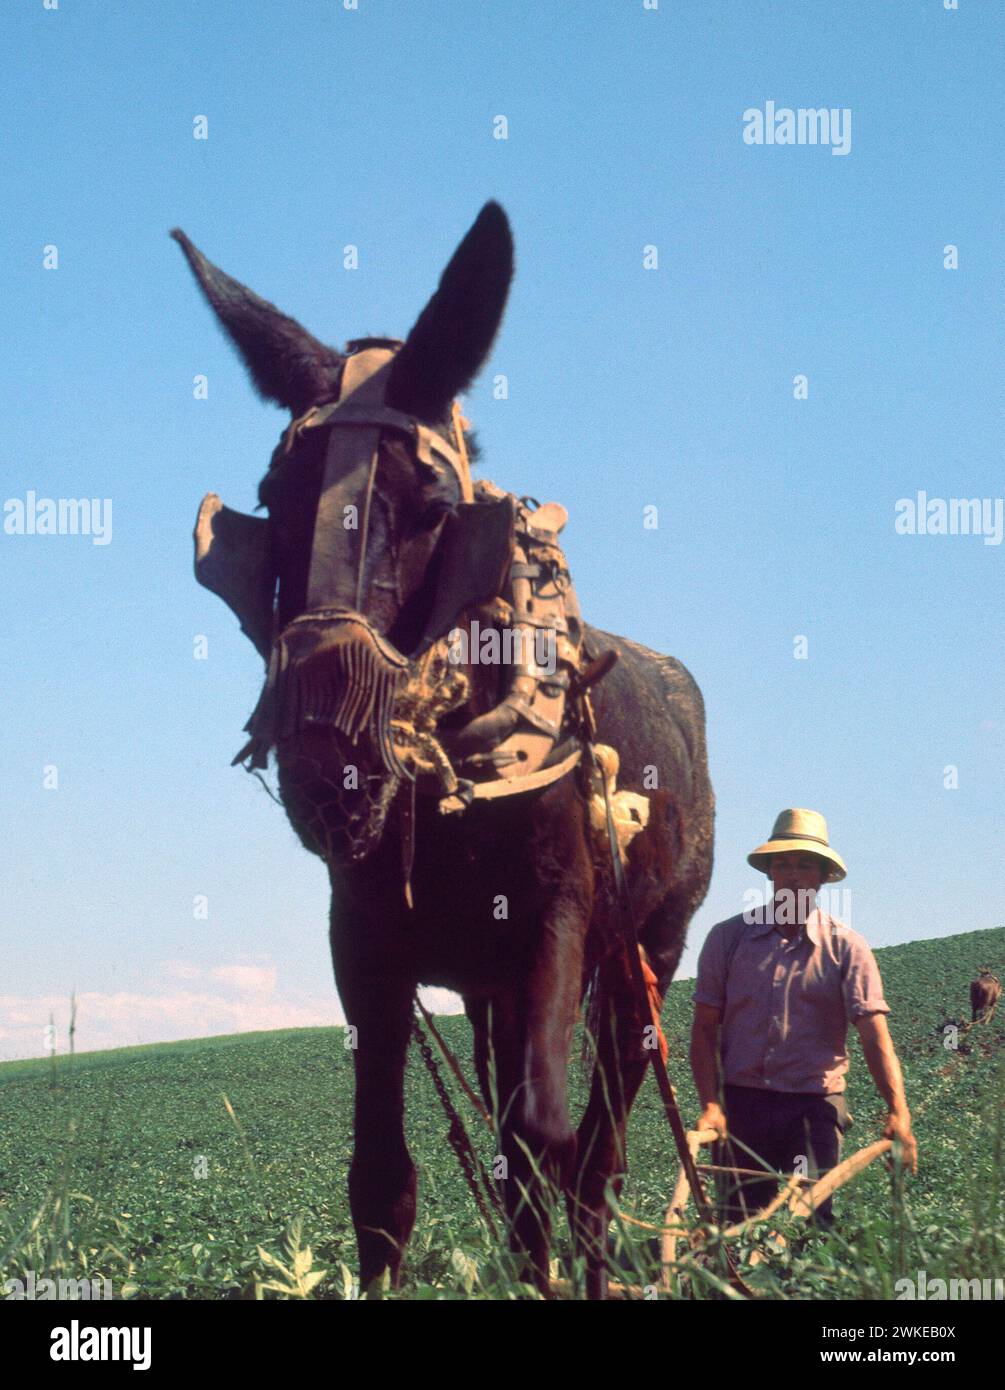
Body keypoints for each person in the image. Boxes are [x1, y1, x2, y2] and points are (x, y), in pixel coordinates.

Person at [690, 808, 917, 1230]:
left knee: (809, 1227)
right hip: (743, 1105)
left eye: (804, 864)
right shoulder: (728, 939)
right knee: (736, 1229)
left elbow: (874, 1036)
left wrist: (898, 1111)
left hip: (813, 1107)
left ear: (822, 876)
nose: (792, 874)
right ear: (770, 871)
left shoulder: (846, 948)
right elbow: (704, 1029)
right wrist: (711, 1105)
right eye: (784, 863)